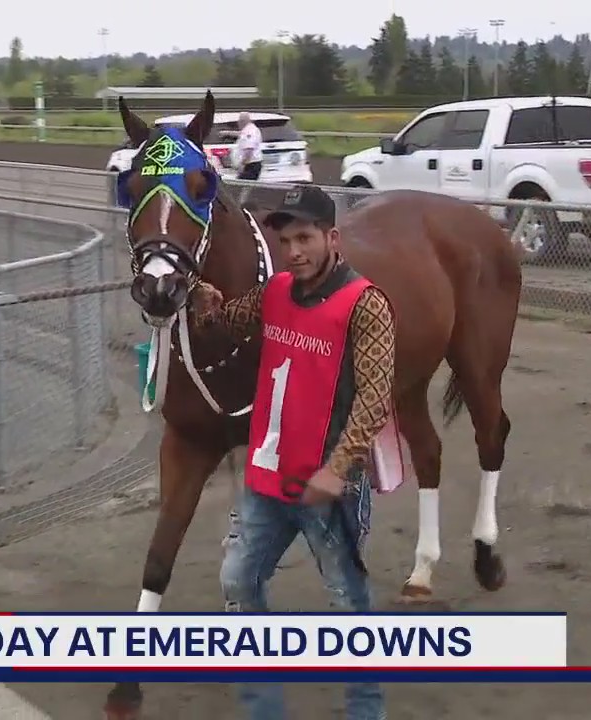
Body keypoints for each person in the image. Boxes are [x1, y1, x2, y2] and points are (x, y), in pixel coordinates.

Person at [191, 185, 396, 720]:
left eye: (305, 238)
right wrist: (206, 304)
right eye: (286, 241)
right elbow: (229, 321)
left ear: (332, 237)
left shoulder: (366, 304)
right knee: (239, 580)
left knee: (348, 608)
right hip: (267, 477)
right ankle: (264, 708)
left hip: (331, 488)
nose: (295, 251)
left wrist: (337, 468)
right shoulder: (276, 291)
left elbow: (375, 399)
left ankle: (365, 713)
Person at [233, 112, 263, 181]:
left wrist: (242, 165)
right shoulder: (250, 129)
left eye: (239, 121)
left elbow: (249, 150)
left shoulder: (250, 131)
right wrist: (227, 133)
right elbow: (242, 134)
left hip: (250, 165)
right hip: (252, 164)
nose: (238, 123)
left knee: (241, 186)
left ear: (242, 121)